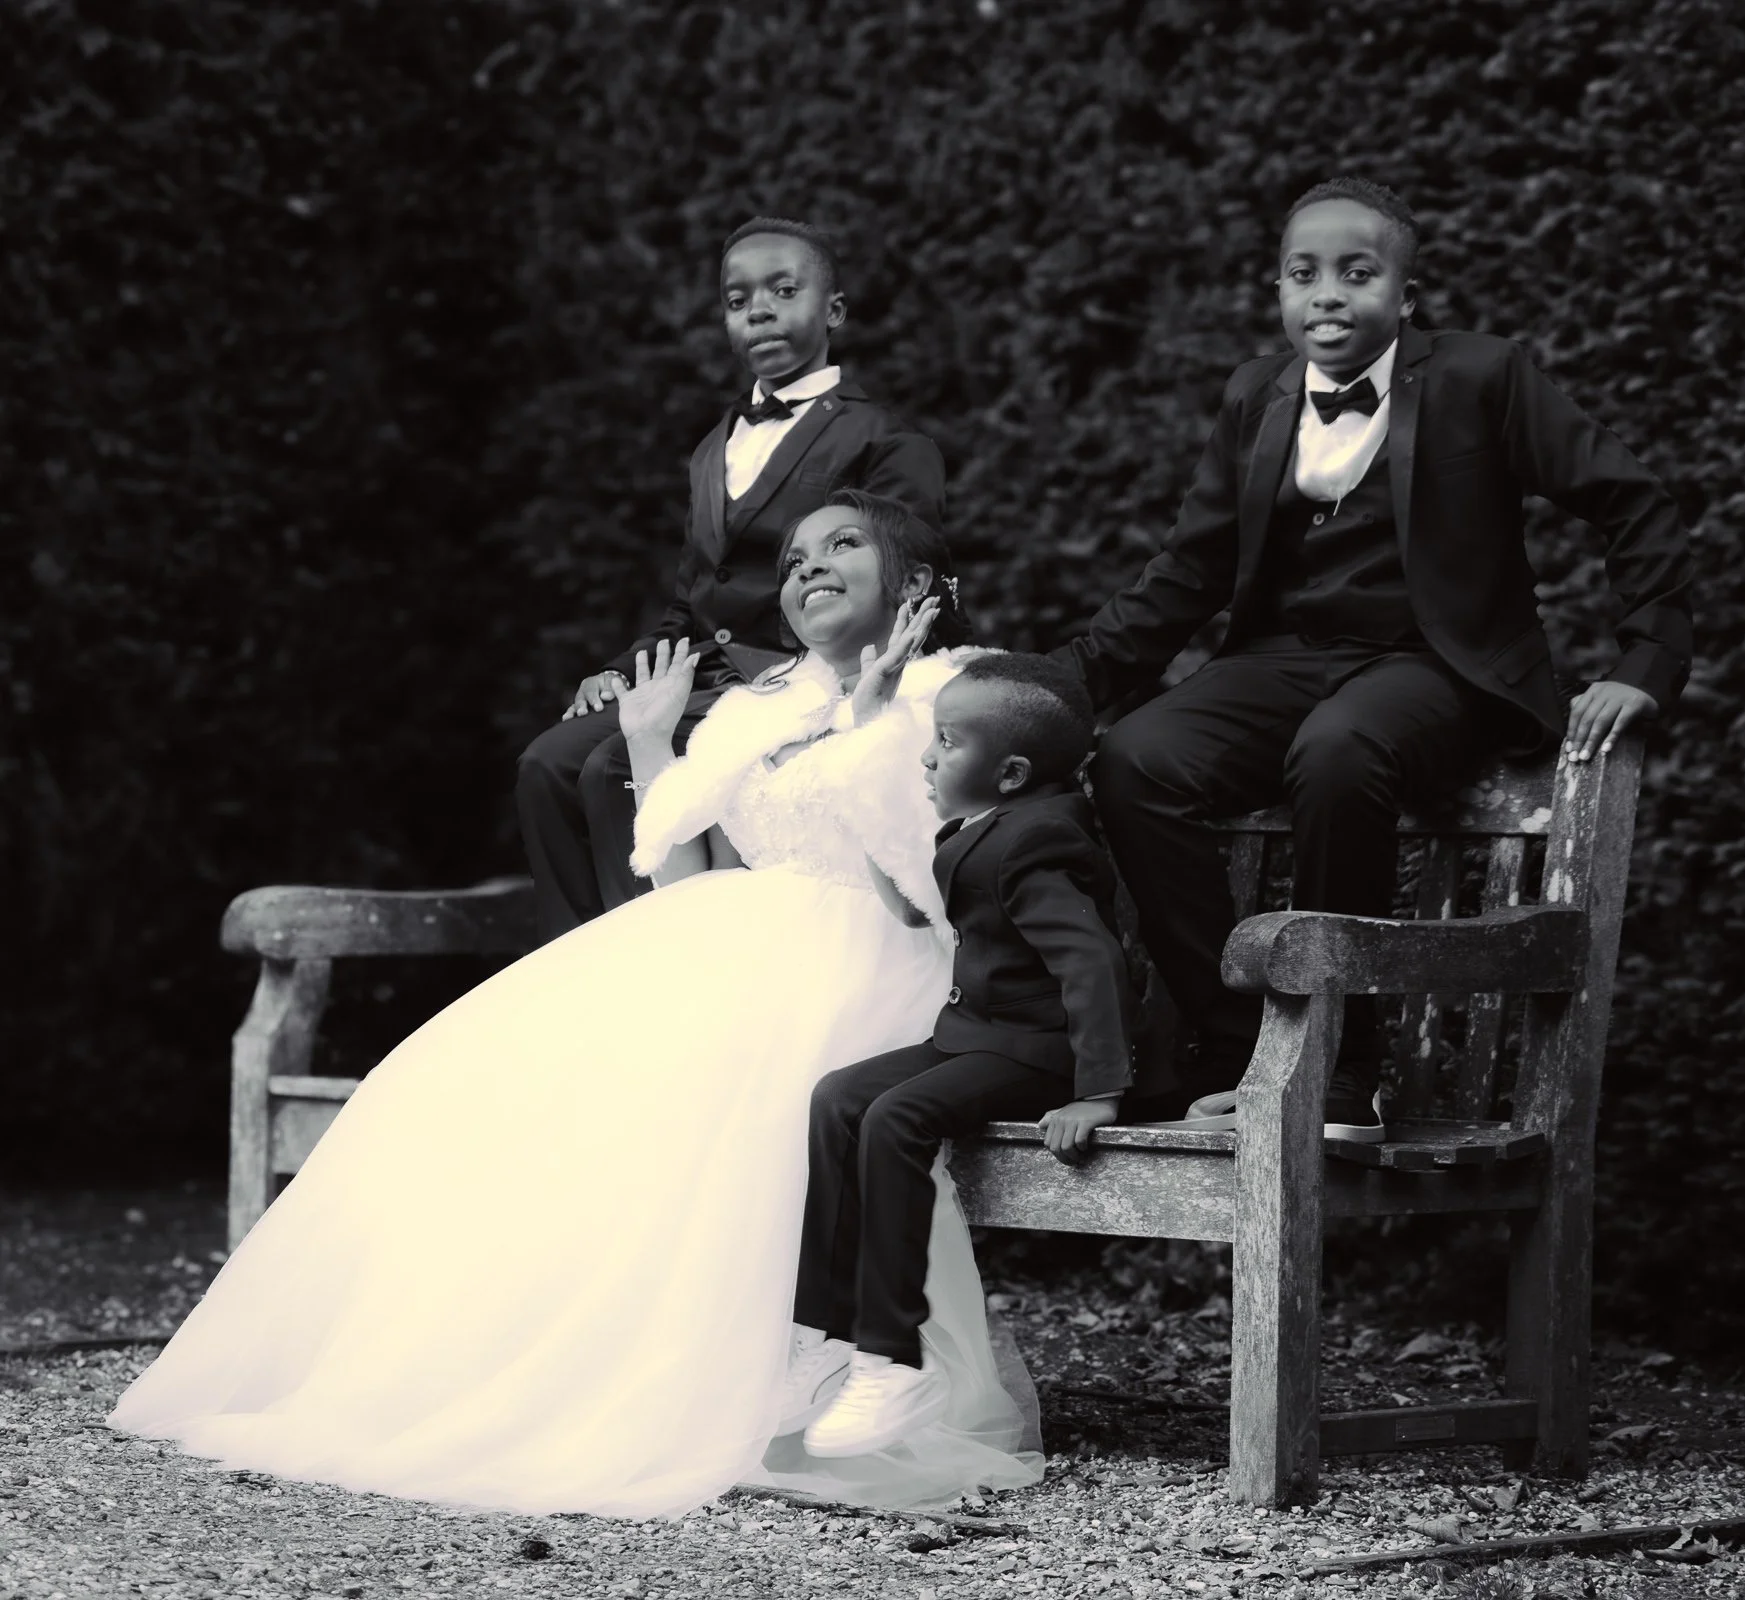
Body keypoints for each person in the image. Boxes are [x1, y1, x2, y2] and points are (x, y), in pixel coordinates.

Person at [111, 490, 1040, 1518]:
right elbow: (688, 883)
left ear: (912, 582)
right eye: (791, 558)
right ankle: (501, 1362)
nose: (806, 567)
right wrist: (650, 743)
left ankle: (809, 1356)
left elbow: (928, 886)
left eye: (841, 546)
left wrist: (872, 722)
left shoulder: (962, 694)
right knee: (483, 1071)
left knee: (710, 1080)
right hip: (735, 936)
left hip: (879, 951)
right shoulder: (756, 707)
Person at [1056, 176, 1695, 1133]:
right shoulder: (1254, 395)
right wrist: (1051, 690)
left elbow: (1630, 497)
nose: (1329, 294)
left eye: (1358, 274)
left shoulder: (1484, 377)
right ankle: (1241, 1052)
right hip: (1285, 659)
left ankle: (1341, 1069)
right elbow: (1186, 572)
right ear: (1276, 292)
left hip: (1436, 664)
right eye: (1303, 274)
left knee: (1340, 747)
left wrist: (1643, 659)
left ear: (1406, 295)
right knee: (1135, 759)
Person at [515, 216, 947, 942]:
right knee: (544, 764)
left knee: (610, 768)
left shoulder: (886, 439)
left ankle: (652, 957)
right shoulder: (713, 448)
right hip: (703, 673)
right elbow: (692, 600)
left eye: (784, 290)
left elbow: (901, 576)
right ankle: (574, 960)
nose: (761, 310)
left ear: (833, 310)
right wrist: (618, 673)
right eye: (739, 299)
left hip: (795, 674)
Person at [783, 654, 1134, 1457]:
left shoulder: (1039, 842)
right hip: (974, 1033)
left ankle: (890, 1359)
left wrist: (1098, 1092)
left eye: (946, 742)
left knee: (897, 1118)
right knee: (838, 1096)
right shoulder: (988, 826)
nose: (928, 756)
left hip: (1040, 1052)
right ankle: (824, 1336)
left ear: (1010, 773)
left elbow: (1093, 963)